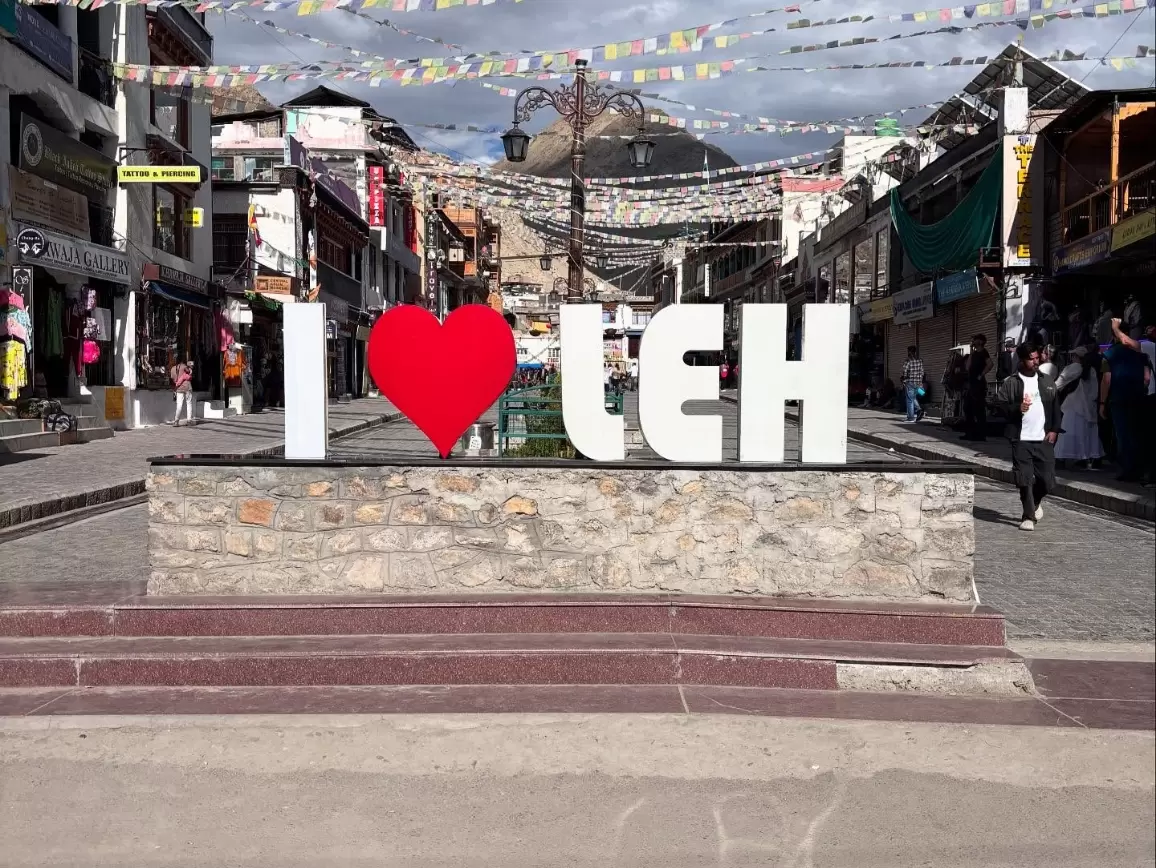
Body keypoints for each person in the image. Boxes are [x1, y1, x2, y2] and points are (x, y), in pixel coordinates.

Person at [996, 344, 1060, 531]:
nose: (1035, 362)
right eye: (1031, 358)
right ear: (1022, 360)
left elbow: (1056, 407)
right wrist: (1017, 408)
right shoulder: (1012, 382)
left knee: (1047, 480)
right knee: (1024, 478)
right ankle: (1028, 516)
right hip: (1021, 438)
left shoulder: (1047, 381)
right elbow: (999, 406)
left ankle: (1036, 503)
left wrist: (1054, 429)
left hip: (1043, 438)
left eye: (1037, 358)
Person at [1100, 317, 1151, 482]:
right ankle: (1140, 468)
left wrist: (1102, 403)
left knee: (1123, 435)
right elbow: (1146, 378)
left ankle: (1127, 470)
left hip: (1119, 398)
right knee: (1138, 433)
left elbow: (1106, 380)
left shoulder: (1109, 354)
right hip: (1139, 397)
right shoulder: (1142, 353)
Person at [1054, 346, 1104, 470]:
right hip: (1089, 407)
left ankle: (1061, 458)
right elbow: (1094, 391)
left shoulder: (1074, 367)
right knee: (1088, 433)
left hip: (1073, 404)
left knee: (1067, 431)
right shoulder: (1091, 370)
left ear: (1076, 357)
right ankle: (1090, 457)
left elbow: (1059, 382)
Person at [962, 334, 993, 440]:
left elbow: (990, 364)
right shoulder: (974, 353)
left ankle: (981, 434)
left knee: (978, 409)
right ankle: (969, 433)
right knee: (967, 408)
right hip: (971, 384)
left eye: (975, 340)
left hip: (978, 385)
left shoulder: (983, 352)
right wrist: (970, 350)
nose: (973, 342)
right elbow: (967, 367)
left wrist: (981, 375)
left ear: (980, 341)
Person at [901, 345, 925, 422]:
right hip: (918, 382)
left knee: (909, 400)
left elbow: (904, 372)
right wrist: (920, 381)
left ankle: (911, 418)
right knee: (913, 398)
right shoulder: (920, 360)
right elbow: (922, 372)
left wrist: (903, 380)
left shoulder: (908, 361)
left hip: (910, 382)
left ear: (909, 352)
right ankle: (919, 410)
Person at [169, 358, 195, 426]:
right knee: (189, 404)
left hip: (178, 388)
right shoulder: (185, 367)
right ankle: (189, 421)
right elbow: (189, 374)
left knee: (179, 405)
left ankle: (176, 421)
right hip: (187, 387)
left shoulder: (172, 369)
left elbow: (172, 379)